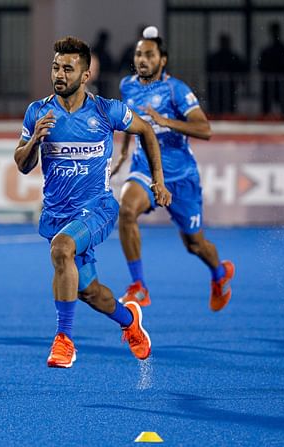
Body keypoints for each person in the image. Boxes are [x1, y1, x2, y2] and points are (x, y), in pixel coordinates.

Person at [14, 36, 171, 368]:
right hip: (59, 214)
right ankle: (130, 321)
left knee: (61, 250)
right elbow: (23, 163)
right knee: (90, 292)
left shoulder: (105, 110)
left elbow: (147, 131)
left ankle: (64, 340)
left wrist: (158, 178)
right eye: (56, 67)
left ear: (85, 75)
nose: (60, 74)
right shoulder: (38, 112)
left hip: (97, 209)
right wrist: (35, 141)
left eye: (68, 69)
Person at [112, 26, 235, 312]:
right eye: (139, 54)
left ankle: (219, 273)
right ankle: (139, 286)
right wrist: (123, 153)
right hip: (146, 167)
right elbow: (133, 121)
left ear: (162, 60)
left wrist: (168, 122)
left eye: (149, 55)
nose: (143, 59)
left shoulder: (175, 89)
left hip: (180, 176)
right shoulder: (127, 86)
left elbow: (204, 129)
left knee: (194, 244)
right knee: (127, 210)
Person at [206, 33, 246, 114]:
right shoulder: (227, 56)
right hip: (220, 86)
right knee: (220, 104)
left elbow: (240, 69)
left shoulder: (220, 57)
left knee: (227, 104)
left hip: (226, 85)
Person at [258, 22, 284, 118]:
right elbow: (261, 66)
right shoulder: (267, 50)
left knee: (283, 105)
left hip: (279, 81)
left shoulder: (281, 49)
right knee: (267, 105)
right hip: (271, 81)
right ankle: (266, 118)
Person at [91, 30, 115, 97]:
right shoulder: (94, 51)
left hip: (103, 81)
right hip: (97, 82)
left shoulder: (105, 53)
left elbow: (112, 66)